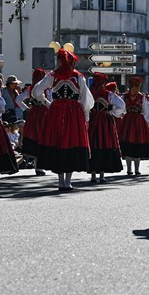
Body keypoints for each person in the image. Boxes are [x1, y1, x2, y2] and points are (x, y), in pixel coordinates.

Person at [32, 47, 93, 190]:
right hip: (74, 114)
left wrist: (47, 103)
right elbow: (85, 99)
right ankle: (67, 182)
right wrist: (86, 117)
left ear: (60, 61)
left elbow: (36, 91)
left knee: (58, 142)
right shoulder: (78, 76)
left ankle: (60, 181)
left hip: (56, 112)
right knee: (71, 142)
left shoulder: (52, 75)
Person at [87, 72, 125, 183]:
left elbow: (84, 105)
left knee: (94, 144)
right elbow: (121, 106)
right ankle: (102, 175)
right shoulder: (108, 94)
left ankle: (93, 174)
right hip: (105, 122)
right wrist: (112, 110)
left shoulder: (90, 93)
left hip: (93, 120)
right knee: (105, 143)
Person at [118, 76, 149, 176]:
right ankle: (129, 169)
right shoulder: (124, 97)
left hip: (139, 123)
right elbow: (120, 107)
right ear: (130, 87)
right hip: (128, 122)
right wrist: (121, 115)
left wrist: (147, 122)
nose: (135, 89)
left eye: (137, 87)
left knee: (137, 145)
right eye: (134, 87)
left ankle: (137, 169)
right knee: (127, 146)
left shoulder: (141, 97)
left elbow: (147, 110)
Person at [18, 68, 49, 176]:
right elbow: (50, 101)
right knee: (42, 137)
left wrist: (27, 109)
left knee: (35, 137)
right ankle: (39, 166)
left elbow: (18, 100)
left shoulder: (30, 89)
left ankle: (38, 164)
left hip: (34, 115)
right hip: (44, 114)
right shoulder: (46, 89)